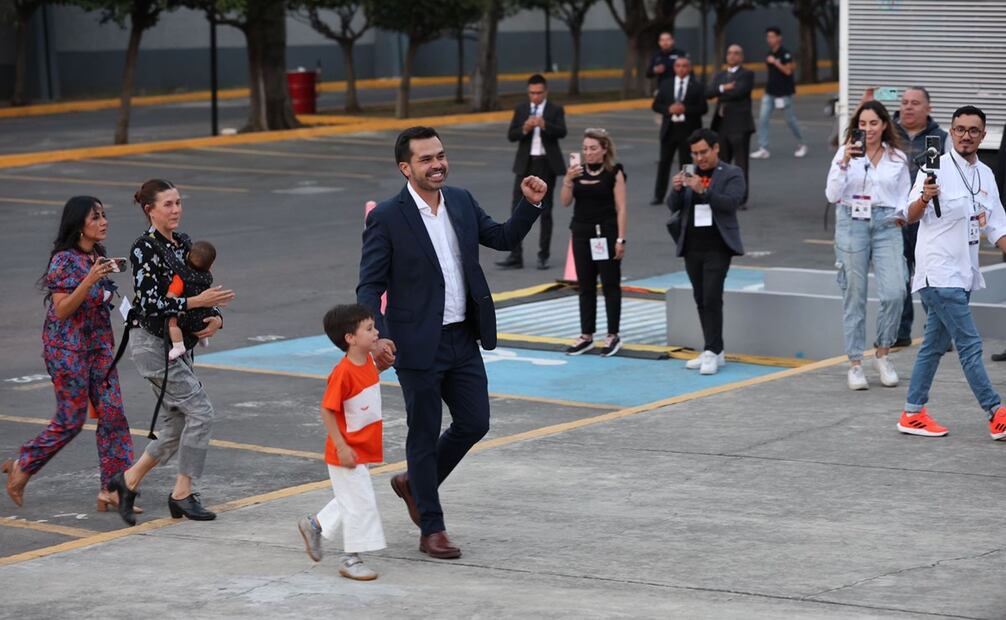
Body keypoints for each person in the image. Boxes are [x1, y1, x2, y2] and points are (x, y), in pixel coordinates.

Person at [357, 126, 546, 559]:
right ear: (406, 168)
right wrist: (378, 335)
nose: (437, 163)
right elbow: (369, 284)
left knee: (475, 421)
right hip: (415, 342)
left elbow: (500, 237)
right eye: (426, 159)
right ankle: (432, 528)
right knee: (422, 434)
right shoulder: (387, 216)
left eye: (440, 155)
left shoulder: (460, 200)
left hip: (463, 336)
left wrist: (530, 204)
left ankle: (412, 484)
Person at [105, 179, 235, 526]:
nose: (176, 210)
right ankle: (182, 493)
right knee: (201, 412)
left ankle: (127, 480)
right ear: (150, 209)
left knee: (178, 422)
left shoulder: (184, 243)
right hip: (152, 345)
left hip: (180, 345)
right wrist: (197, 303)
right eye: (168, 204)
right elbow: (149, 304)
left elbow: (200, 284)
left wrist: (215, 318)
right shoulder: (143, 248)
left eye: (178, 202)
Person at [3, 196, 137, 514]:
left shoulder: (98, 255)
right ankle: (22, 465)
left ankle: (113, 488)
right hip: (67, 351)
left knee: (114, 415)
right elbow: (61, 309)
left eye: (104, 215)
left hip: (100, 346)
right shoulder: (63, 261)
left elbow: (102, 297)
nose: (103, 221)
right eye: (95, 217)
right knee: (71, 421)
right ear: (79, 225)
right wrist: (90, 280)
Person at [895, 106, 1006, 438]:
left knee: (932, 345)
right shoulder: (935, 168)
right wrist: (925, 199)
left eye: (973, 130)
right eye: (959, 129)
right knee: (970, 344)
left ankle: (912, 413)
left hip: (964, 273)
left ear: (983, 136)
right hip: (938, 274)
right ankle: (995, 412)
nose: (965, 136)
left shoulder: (985, 175)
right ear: (951, 133)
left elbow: (996, 226)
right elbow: (909, 214)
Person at [297, 304, 387, 581]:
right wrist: (341, 445)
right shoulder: (343, 372)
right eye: (369, 329)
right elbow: (327, 410)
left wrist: (382, 359)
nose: (376, 333)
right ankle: (351, 559)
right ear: (350, 338)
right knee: (361, 503)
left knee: (351, 498)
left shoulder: (368, 363)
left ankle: (315, 524)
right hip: (347, 452)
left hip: (363, 448)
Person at [825, 101, 910, 390]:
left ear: (884, 124)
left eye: (874, 123)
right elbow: (831, 194)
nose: (868, 129)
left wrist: (900, 215)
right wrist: (845, 161)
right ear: (856, 126)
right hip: (851, 220)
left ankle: (883, 353)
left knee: (896, 291)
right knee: (854, 293)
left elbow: (904, 194)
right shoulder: (844, 153)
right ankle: (855, 363)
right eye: (862, 124)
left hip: (886, 223)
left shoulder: (897, 157)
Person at [668, 129, 745, 375]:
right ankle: (714, 350)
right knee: (701, 298)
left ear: (716, 149)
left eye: (704, 152)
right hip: (692, 245)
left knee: (712, 296)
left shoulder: (732, 173)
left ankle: (712, 349)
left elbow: (731, 203)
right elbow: (672, 207)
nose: (700, 158)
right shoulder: (689, 173)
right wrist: (677, 189)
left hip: (718, 246)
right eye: (695, 153)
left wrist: (703, 190)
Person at [561, 128, 628, 357]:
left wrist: (620, 238)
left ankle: (612, 334)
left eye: (593, 149)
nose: (588, 153)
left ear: (604, 149)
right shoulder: (577, 172)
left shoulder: (614, 172)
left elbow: (621, 207)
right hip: (581, 234)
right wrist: (568, 180)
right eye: (585, 148)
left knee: (610, 284)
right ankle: (586, 334)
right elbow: (565, 202)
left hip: (605, 234)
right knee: (586, 287)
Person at [498, 74, 567, 270]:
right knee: (515, 208)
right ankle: (515, 255)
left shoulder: (555, 109)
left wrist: (545, 125)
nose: (535, 97)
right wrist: (524, 128)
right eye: (532, 93)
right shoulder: (521, 109)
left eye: (538, 93)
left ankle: (543, 255)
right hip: (525, 163)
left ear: (546, 92)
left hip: (546, 164)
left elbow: (562, 131)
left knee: (545, 211)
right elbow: (511, 135)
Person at [651, 56, 708, 206]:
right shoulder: (666, 84)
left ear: (689, 68)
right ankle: (659, 195)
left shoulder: (697, 86)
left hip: (688, 131)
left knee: (686, 164)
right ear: (674, 68)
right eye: (678, 66)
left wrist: (685, 109)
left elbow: (703, 108)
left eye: (684, 66)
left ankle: (685, 193)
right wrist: (668, 109)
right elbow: (656, 105)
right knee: (664, 163)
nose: (681, 68)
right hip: (669, 129)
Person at [706, 44, 755, 210]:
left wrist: (719, 91)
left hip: (739, 124)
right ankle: (723, 196)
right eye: (730, 53)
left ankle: (741, 198)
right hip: (721, 124)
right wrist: (723, 88)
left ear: (741, 57)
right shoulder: (720, 75)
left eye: (736, 53)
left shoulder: (747, 74)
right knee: (722, 163)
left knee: (740, 164)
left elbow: (739, 92)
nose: (732, 56)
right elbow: (708, 92)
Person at [751, 26, 807, 160]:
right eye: (768, 37)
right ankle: (763, 147)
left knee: (790, 120)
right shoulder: (768, 53)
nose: (769, 39)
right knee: (763, 119)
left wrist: (776, 62)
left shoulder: (785, 54)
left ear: (779, 38)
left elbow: (788, 71)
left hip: (784, 93)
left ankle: (802, 144)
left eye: (772, 36)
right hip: (770, 92)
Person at [165, 240, 216, 360]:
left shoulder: (181, 277)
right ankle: (203, 338)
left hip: (189, 318)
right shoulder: (207, 276)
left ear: (187, 256)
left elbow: (171, 296)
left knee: (172, 321)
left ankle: (178, 345)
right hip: (204, 317)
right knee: (202, 314)